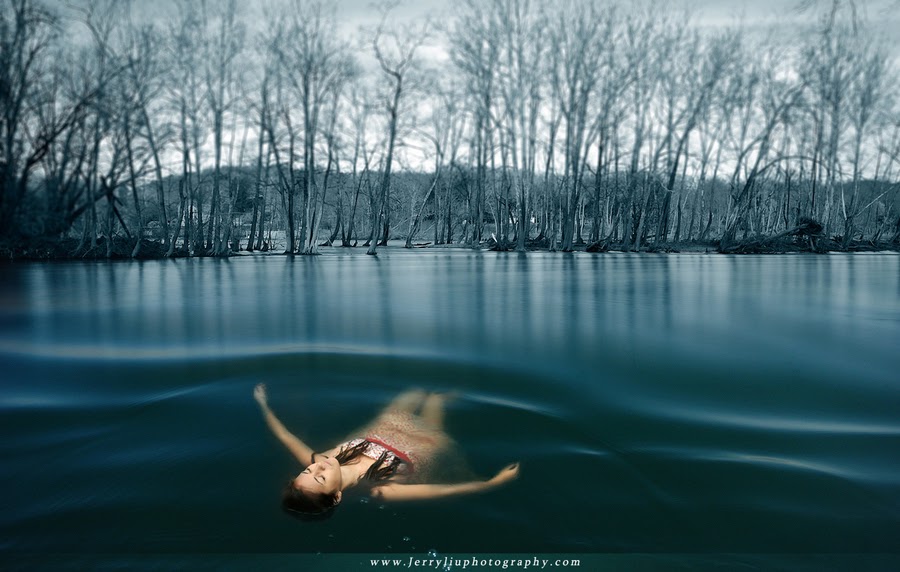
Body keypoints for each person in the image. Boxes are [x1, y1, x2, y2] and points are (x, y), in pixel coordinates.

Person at [253, 384, 520, 517]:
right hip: (425, 441)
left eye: (308, 470)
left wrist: (263, 404)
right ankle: (481, 386)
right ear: (336, 498)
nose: (317, 466)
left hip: (390, 423)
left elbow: (285, 437)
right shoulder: (380, 491)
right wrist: (492, 483)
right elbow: (440, 490)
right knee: (437, 399)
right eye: (320, 477)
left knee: (416, 389)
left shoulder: (323, 459)